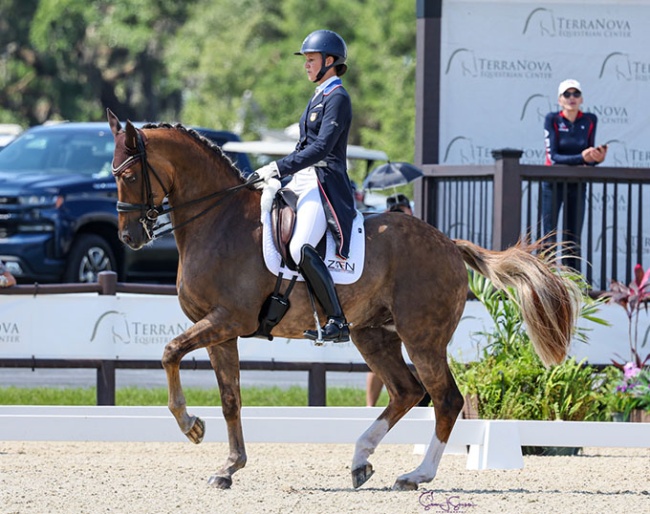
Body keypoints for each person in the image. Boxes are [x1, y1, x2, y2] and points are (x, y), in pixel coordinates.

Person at [251, 30, 354, 343]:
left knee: (299, 247)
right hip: (302, 179)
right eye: (306, 60)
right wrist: (277, 173)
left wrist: (278, 165)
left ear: (330, 61)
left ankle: (337, 321)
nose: (306, 65)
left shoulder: (338, 97)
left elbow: (322, 148)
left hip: (324, 183)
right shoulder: (319, 95)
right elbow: (302, 147)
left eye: (311, 60)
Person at [365, 193, 431, 407]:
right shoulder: (381, 232)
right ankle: (369, 407)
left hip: (411, 302)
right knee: (378, 357)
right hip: (384, 303)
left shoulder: (418, 234)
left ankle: (421, 403)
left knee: (422, 354)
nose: (402, 213)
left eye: (404, 210)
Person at [542, 79, 607, 271]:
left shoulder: (589, 120)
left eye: (576, 94)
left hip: (577, 183)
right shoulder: (552, 119)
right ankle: (546, 284)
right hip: (553, 182)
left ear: (582, 99)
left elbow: (588, 158)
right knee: (549, 236)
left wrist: (597, 158)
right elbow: (553, 156)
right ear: (559, 100)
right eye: (567, 94)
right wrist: (582, 157)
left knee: (573, 238)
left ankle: (574, 286)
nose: (572, 98)